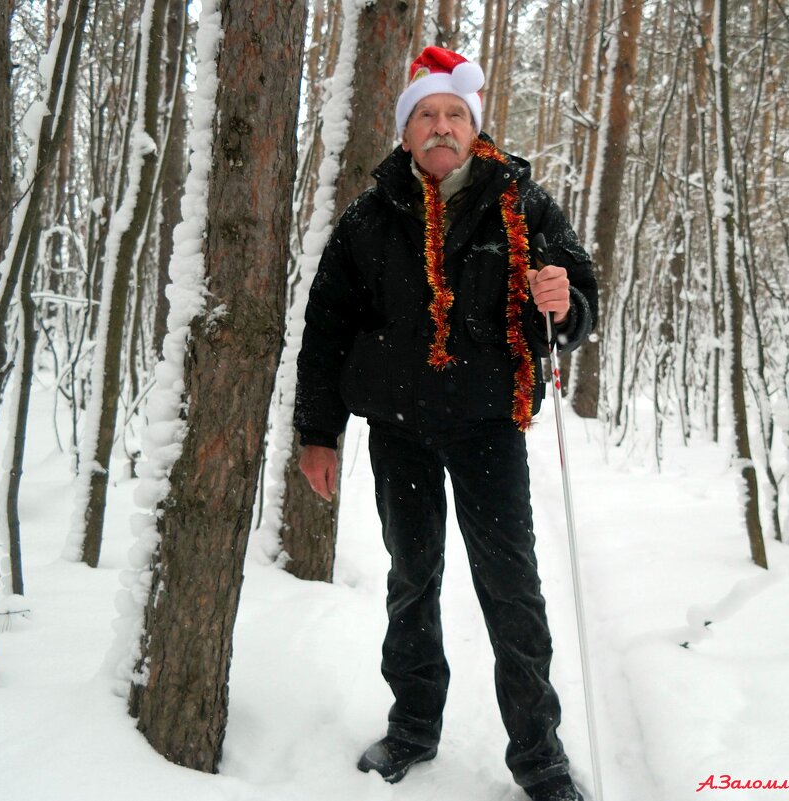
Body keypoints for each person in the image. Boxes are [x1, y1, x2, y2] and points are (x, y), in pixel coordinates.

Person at [293, 46, 598, 801]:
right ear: (405, 132)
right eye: (425, 114)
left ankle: (539, 755)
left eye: (454, 114)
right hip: (398, 429)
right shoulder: (368, 217)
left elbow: (576, 305)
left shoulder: (522, 204)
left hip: (488, 424)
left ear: (473, 127)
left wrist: (563, 302)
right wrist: (317, 434)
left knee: (512, 587)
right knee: (411, 578)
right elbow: (325, 328)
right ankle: (412, 728)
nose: (440, 126)